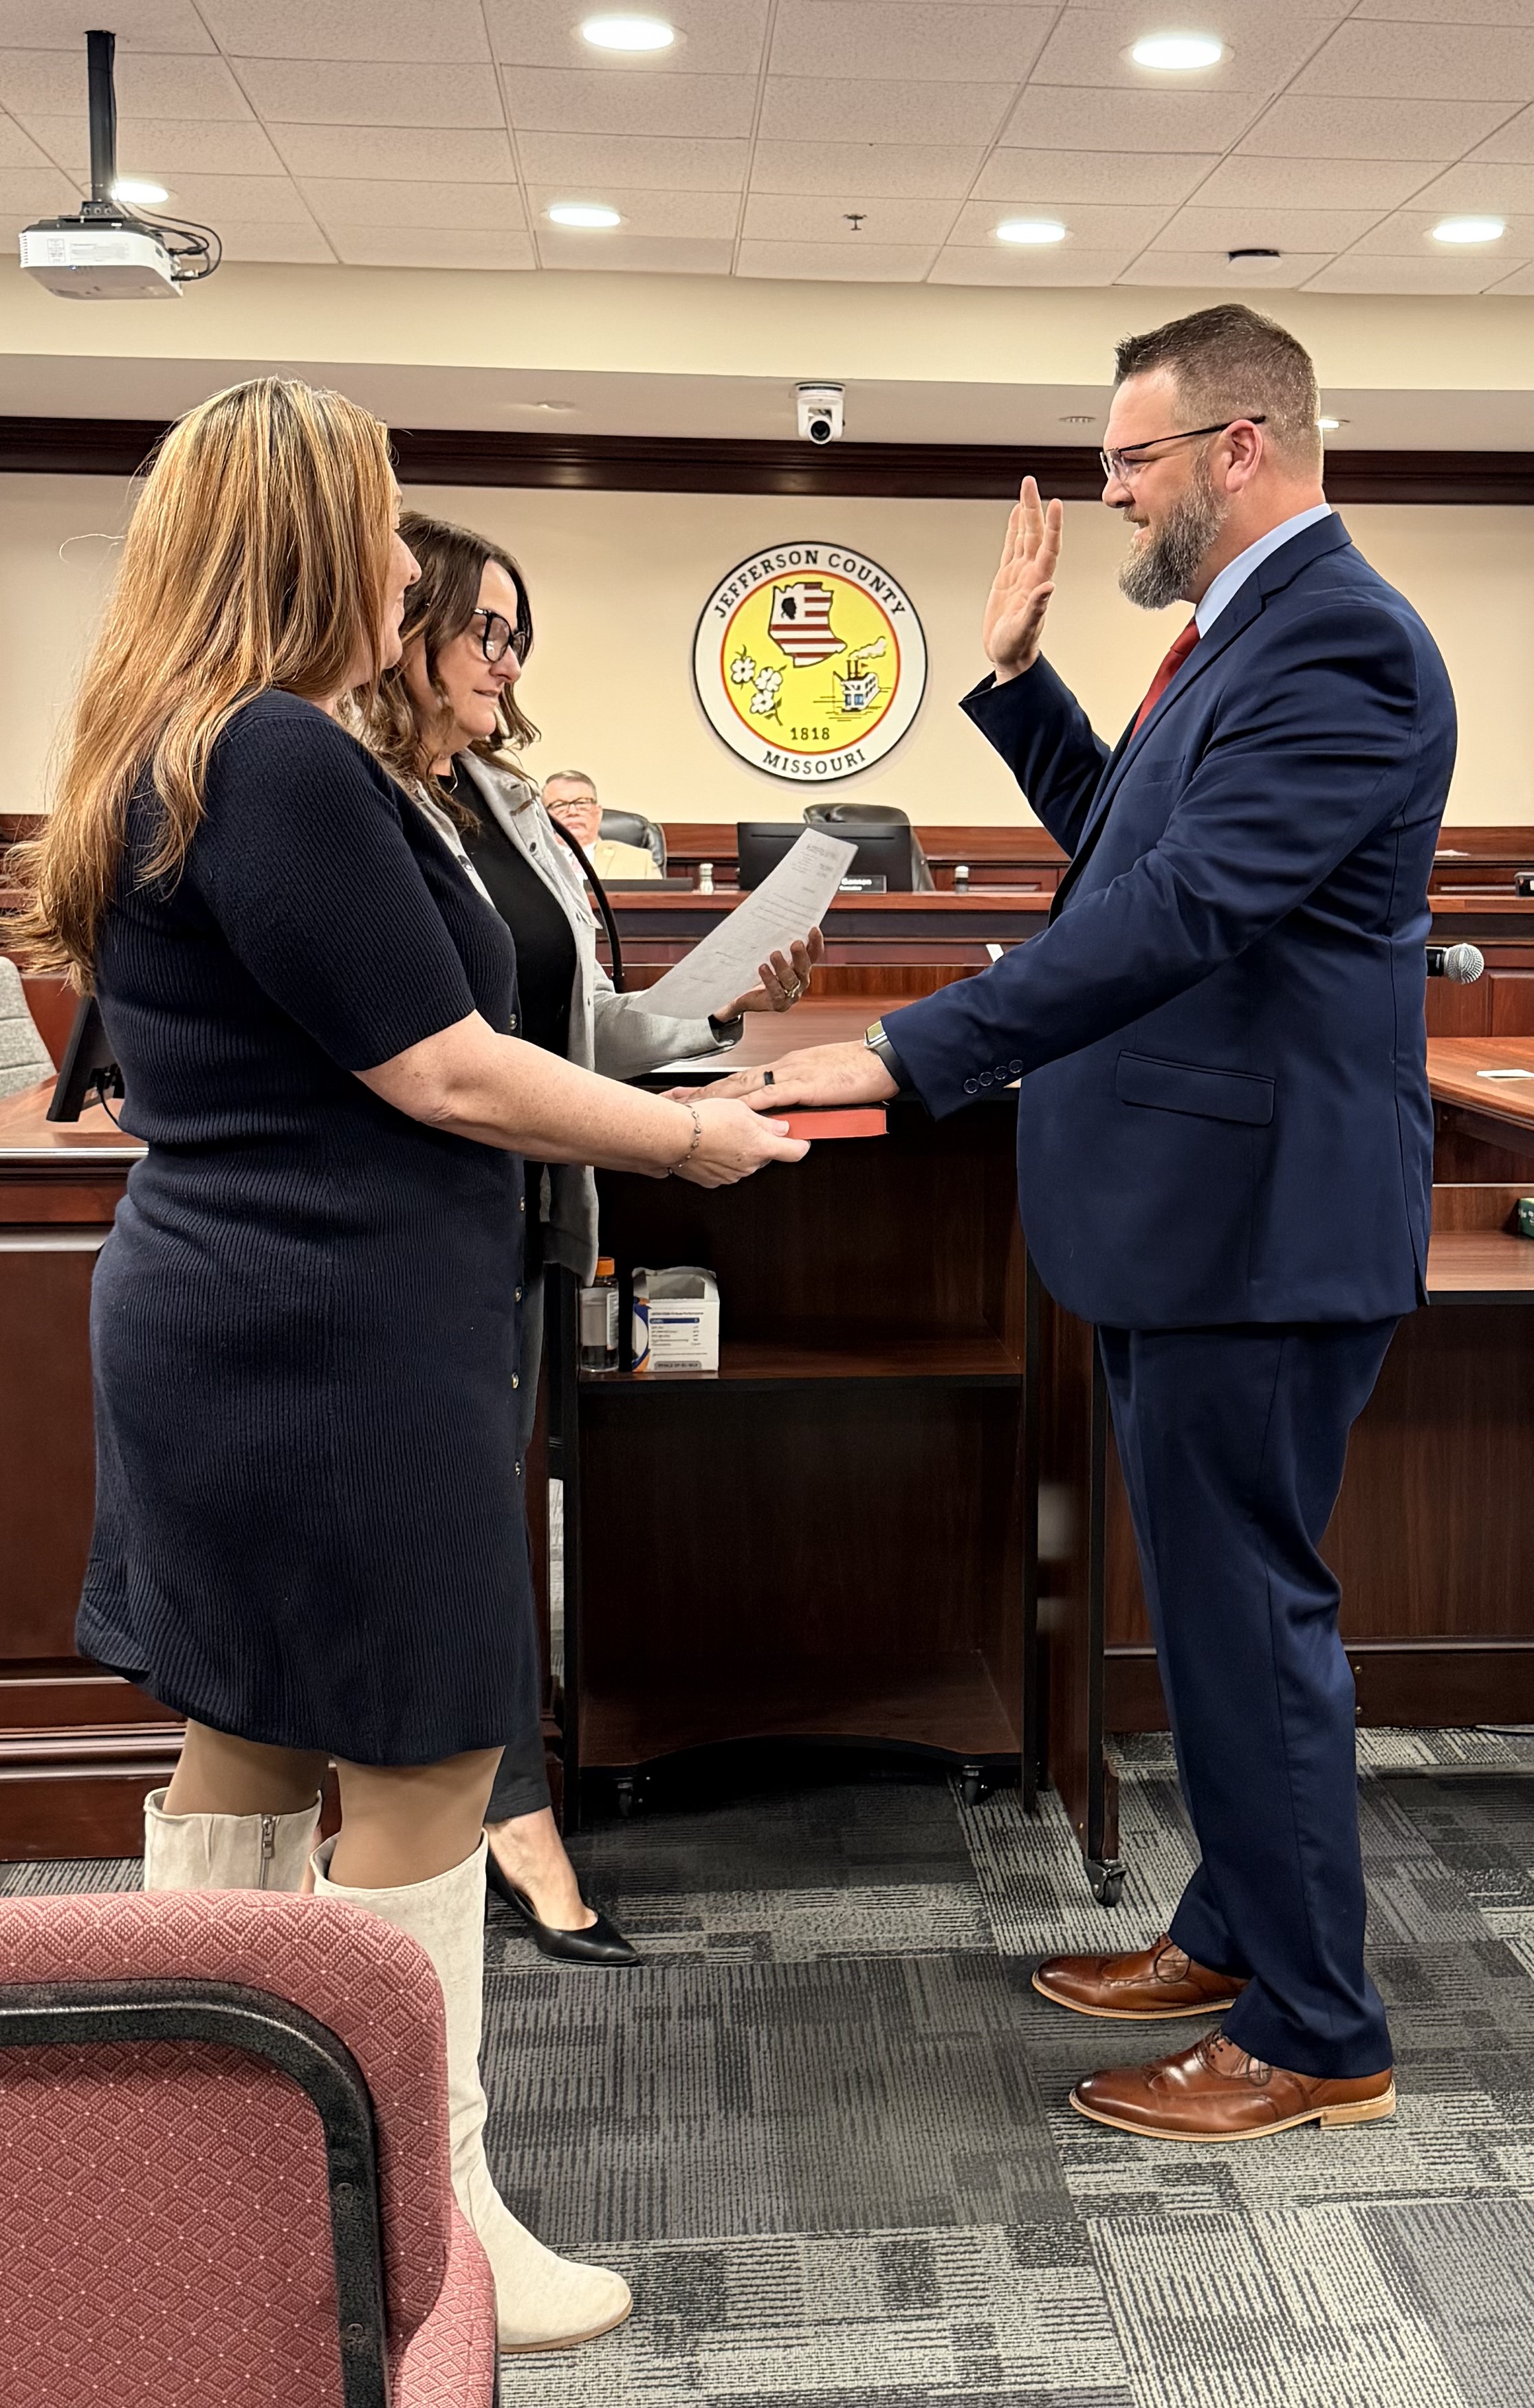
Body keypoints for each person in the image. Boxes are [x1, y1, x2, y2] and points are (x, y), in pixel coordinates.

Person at [8, 377, 806, 2353]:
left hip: (237, 1316)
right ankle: (420, 2216)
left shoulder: (165, 743)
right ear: (299, 543)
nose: (399, 559)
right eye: (375, 523)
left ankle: (234, 2175)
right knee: (433, 1744)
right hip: (335, 1332)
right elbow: (441, 1061)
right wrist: (694, 1136)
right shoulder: (277, 752)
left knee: (260, 1731)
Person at [715, 303, 1458, 2142]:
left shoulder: (1341, 640)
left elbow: (1187, 908)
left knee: (1246, 1617)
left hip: (1252, 1225)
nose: (1110, 495)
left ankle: (1313, 2030)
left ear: (1236, 447)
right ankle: (1228, 1928)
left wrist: (907, 1053)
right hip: (1188, 1219)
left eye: (1130, 461)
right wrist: (1009, 674)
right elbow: (1127, 843)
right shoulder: (1242, 636)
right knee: (1206, 1616)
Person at [368, 509, 823, 1962]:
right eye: (480, 628)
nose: (504, 657)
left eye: (517, 632)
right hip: (407, 1231)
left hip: (529, 1213)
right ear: (403, 625)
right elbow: (440, 1052)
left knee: (493, 1533)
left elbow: (577, 1029)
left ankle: (478, 1813)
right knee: (454, 1548)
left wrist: (723, 1007)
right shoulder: (362, 801)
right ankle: (505, 1825)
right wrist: (687, 1137)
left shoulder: (503, 805)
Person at [541, 769, 659, 880]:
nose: (572, 812)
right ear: (543, 816)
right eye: (559, 805)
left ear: (598, 813)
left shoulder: (640, 861)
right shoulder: (533, 862)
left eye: (582, 803)